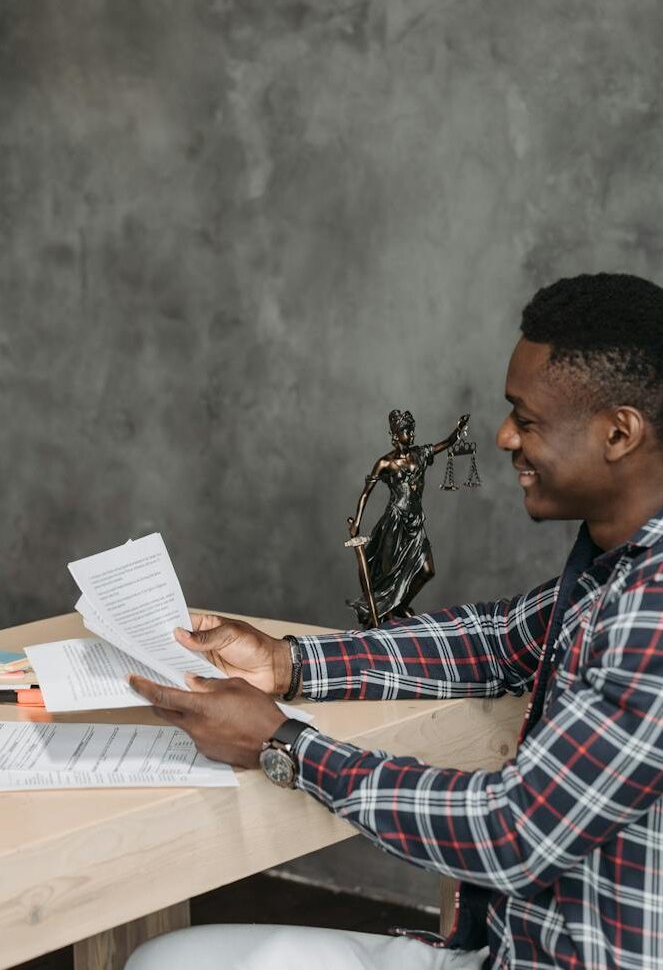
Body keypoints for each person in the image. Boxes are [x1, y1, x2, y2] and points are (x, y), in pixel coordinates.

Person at [127, 273, 663, 970]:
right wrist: (290, 662)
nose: (503, 436)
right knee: (171, 961)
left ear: (617, 432)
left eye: (524, 419)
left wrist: (283, 742)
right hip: (507, 947)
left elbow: (511, 831)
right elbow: (498, 638)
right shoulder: (612, 566)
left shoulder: (652, 607)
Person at [346, 408, 470, 627]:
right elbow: (366, 492)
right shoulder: (385, 463)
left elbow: (446, 443)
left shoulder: (420, 454)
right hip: (395, 524)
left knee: (427, 570)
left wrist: (457, 430)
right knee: (388, 576)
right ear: (396, 434)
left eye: (412, 430)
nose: (411, 434)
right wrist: (357, 521)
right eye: (407, 430)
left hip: (415, 523)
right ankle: (380, 618)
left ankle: (402, 604)